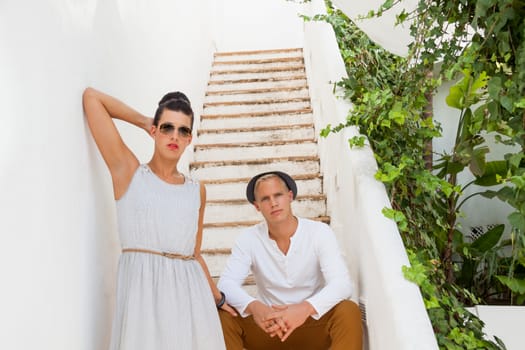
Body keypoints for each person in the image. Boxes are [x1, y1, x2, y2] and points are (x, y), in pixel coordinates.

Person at [82, 88, 235, 349]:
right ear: (154, 130)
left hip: (190, 299)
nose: (175, 136)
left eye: (183, 131)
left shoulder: (196, 190)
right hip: (143, 297)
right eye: (167, 128)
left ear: (189, 139)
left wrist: (218, 298)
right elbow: (91, 99)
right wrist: (144, 120)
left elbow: (194, 254)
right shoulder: (129, 173)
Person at [217, 171, 363, 350]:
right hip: (269, 327)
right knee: (223, 314)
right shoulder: (249, 238)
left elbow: (342, 284)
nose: (273, 203)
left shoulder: (318, 232)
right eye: (265, 199)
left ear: (290, 196)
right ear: (257, 206)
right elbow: (226, 284)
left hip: (311, 325)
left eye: (278, 195)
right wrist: (256, 307)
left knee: (348, 310)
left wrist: (305, 308)